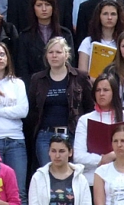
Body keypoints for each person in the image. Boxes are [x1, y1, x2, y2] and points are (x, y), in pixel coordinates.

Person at [28, 37, 93, 165]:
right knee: (48, 176)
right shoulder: (37, 79)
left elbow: (89, 106)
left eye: (58, 52)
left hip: (73, 134)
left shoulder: (80, 77)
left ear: (66, 54)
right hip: (45, 136)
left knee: (72, 175)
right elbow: (32, 109)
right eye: (51, 52)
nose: (54, 56)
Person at [73, 74, 124, 186]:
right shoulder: (85, 120)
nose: (101, 94)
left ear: (114, 92)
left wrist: (114, 155)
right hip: (93, 179)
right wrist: (102, 159)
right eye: (98, 90)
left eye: (106, 90)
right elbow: (78, 156)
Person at [28, 134, 92, 205]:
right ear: (49, 152)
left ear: (70, 152)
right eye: (53, 151)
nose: (57, 155)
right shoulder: (38, 177)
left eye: (62, 151)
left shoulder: (81, 179)